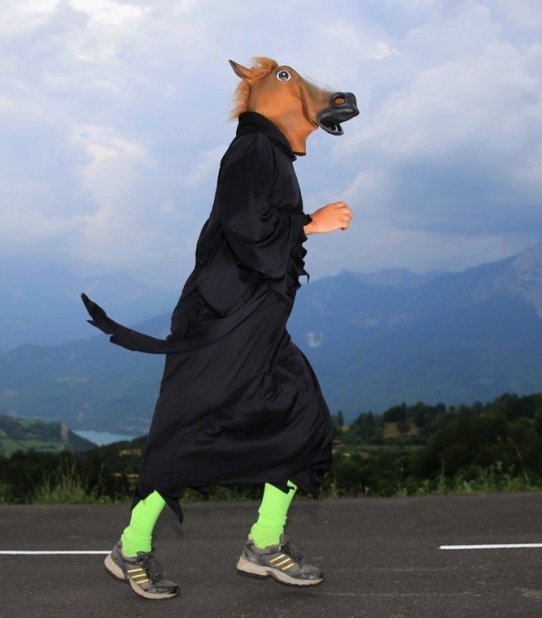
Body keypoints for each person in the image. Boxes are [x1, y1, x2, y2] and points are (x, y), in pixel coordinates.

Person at [82, 57, 359, 600]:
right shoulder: (253, 150)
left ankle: (263, 544)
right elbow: (246, 226)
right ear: (271, 93)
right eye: (289, 81)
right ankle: (130, 548)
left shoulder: (272, 153)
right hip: (221, 321)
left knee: (301, 420)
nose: (304, 89)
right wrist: (311, 223)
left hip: (258, 325)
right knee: (187, 433)